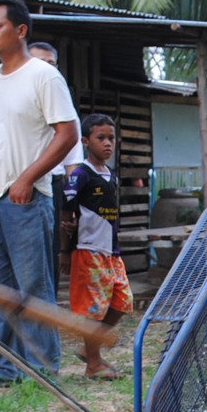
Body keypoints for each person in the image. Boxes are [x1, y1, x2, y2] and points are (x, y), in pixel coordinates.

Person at [0, 0, 79, 389]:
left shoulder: (43, 76)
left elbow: (67, 134)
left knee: (33, 288)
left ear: (21, 30)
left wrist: (27, 177)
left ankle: (44, 370)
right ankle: (3, 368)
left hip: (27, 199)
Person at [60, 114, 132, 380]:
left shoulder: (110, 175)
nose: (107, 143)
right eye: (100, 138)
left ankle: (90, 345)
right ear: (86, 142)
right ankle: (93, 364)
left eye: (111, 138)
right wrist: (65, 251)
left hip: (111, 250)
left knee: (123, 301)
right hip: (88, 250)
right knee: (93, 309)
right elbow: (66, 216)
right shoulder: (79, 176)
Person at [28, 41, 85, 290]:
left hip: (52, 189)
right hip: (14, 189)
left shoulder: (65, 111)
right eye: (39, 64)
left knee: (49, 259)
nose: (46, 70)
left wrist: (72, 207)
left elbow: (72, 165)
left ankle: (44, 318)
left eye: (51, 65)